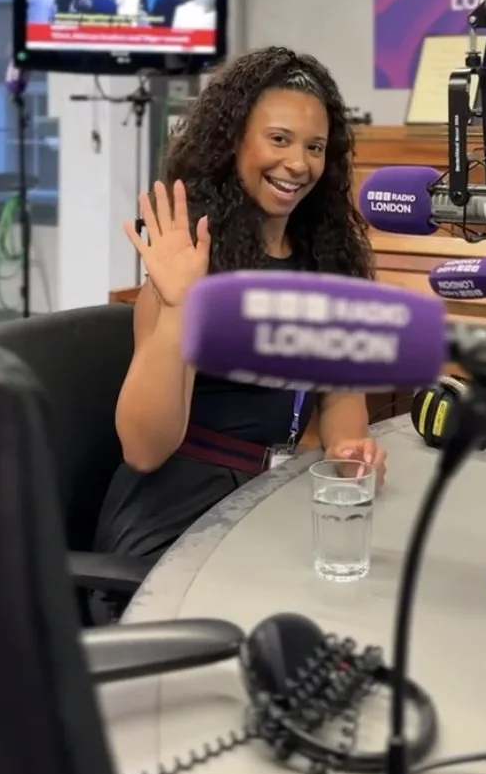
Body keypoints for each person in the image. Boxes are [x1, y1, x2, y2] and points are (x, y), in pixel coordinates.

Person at [94, 46, 386, 571]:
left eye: (315, 147)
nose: (298, 163)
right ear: (233, 142)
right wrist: (180, 308)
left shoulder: (328, 261)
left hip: (269, 499)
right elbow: (143, 450)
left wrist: (349, 451)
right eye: (279, 139)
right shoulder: (188, 262)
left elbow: (342, 401)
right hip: (176, 520)